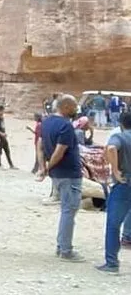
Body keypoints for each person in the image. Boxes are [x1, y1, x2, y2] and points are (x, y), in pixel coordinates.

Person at [36, 94, 85, 262]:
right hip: (69, 174)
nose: (76, 109)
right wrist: (47, 168)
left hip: (57, 174)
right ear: (65, 107)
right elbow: (60, 151)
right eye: (74, 106)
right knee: (69, 211)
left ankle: (61, 246)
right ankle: (65, 249)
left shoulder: (46, 122)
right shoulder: (66, 126)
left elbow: (40, 146)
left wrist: (43, 167)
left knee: (66, 210)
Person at [95, 112, 131, 273]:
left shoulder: (120, 137)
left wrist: (115, 171)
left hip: (124, 183)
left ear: (121, 124)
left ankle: (112, 263)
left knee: (113, 225)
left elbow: (111, 148)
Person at [0, 105, 17, 170]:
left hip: (4, 137)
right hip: (0, 137)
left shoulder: (2, 118)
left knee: (7, 151)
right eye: (1, 110)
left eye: (2, 110)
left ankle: (11, 165)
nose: (2, 111)